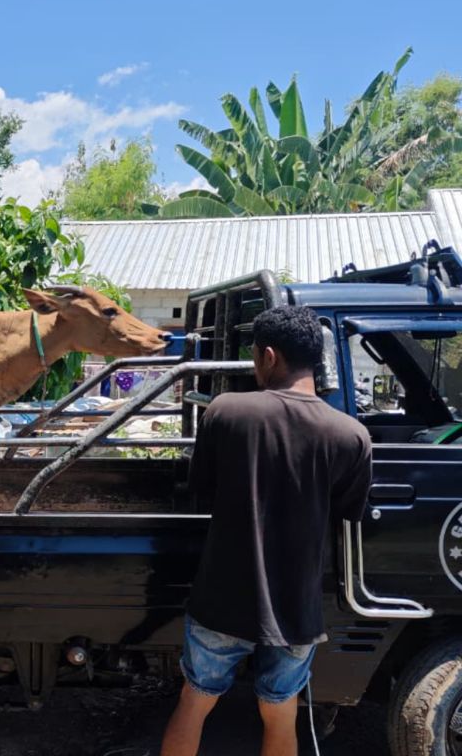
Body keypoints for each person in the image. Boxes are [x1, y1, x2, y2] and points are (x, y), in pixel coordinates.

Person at [160, 306, 372, 756]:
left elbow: (202, 491)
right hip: (296, 611)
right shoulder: (352, 436)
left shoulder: (225, 412)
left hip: (221, 601)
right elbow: (346, 515)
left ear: (268, 356)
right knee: (280, 713)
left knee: (194, 702)